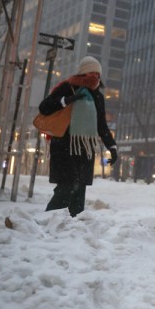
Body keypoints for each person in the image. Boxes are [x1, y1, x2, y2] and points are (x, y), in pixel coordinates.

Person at [39, 56, 119, 217]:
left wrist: (112, 147)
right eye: (92, 73)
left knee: (79, 191)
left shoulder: (97, 96)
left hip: (84, 149)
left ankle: (73, 229)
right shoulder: (67, 87)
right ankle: (48, 221)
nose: (95, 77)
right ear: (83, 73)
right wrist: (67, 100)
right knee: (66, 188)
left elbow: (101, 125)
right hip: (63, 146)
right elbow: (44, 107)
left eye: (98, 74)